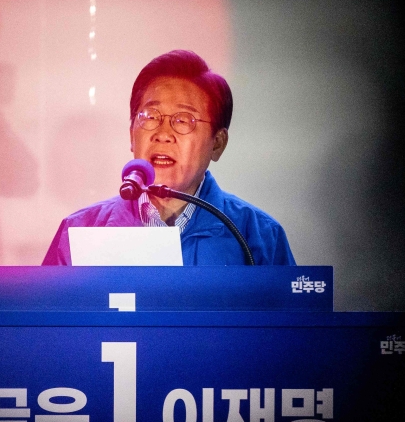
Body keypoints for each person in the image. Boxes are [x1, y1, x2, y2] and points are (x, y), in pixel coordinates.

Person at [42, 49, 295, 266]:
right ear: (132, 134)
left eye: (183, 120)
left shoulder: (258, 237)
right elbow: (46, 320)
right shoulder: (79, 232)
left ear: (217, 144)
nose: (163, 135)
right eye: (150, 117)